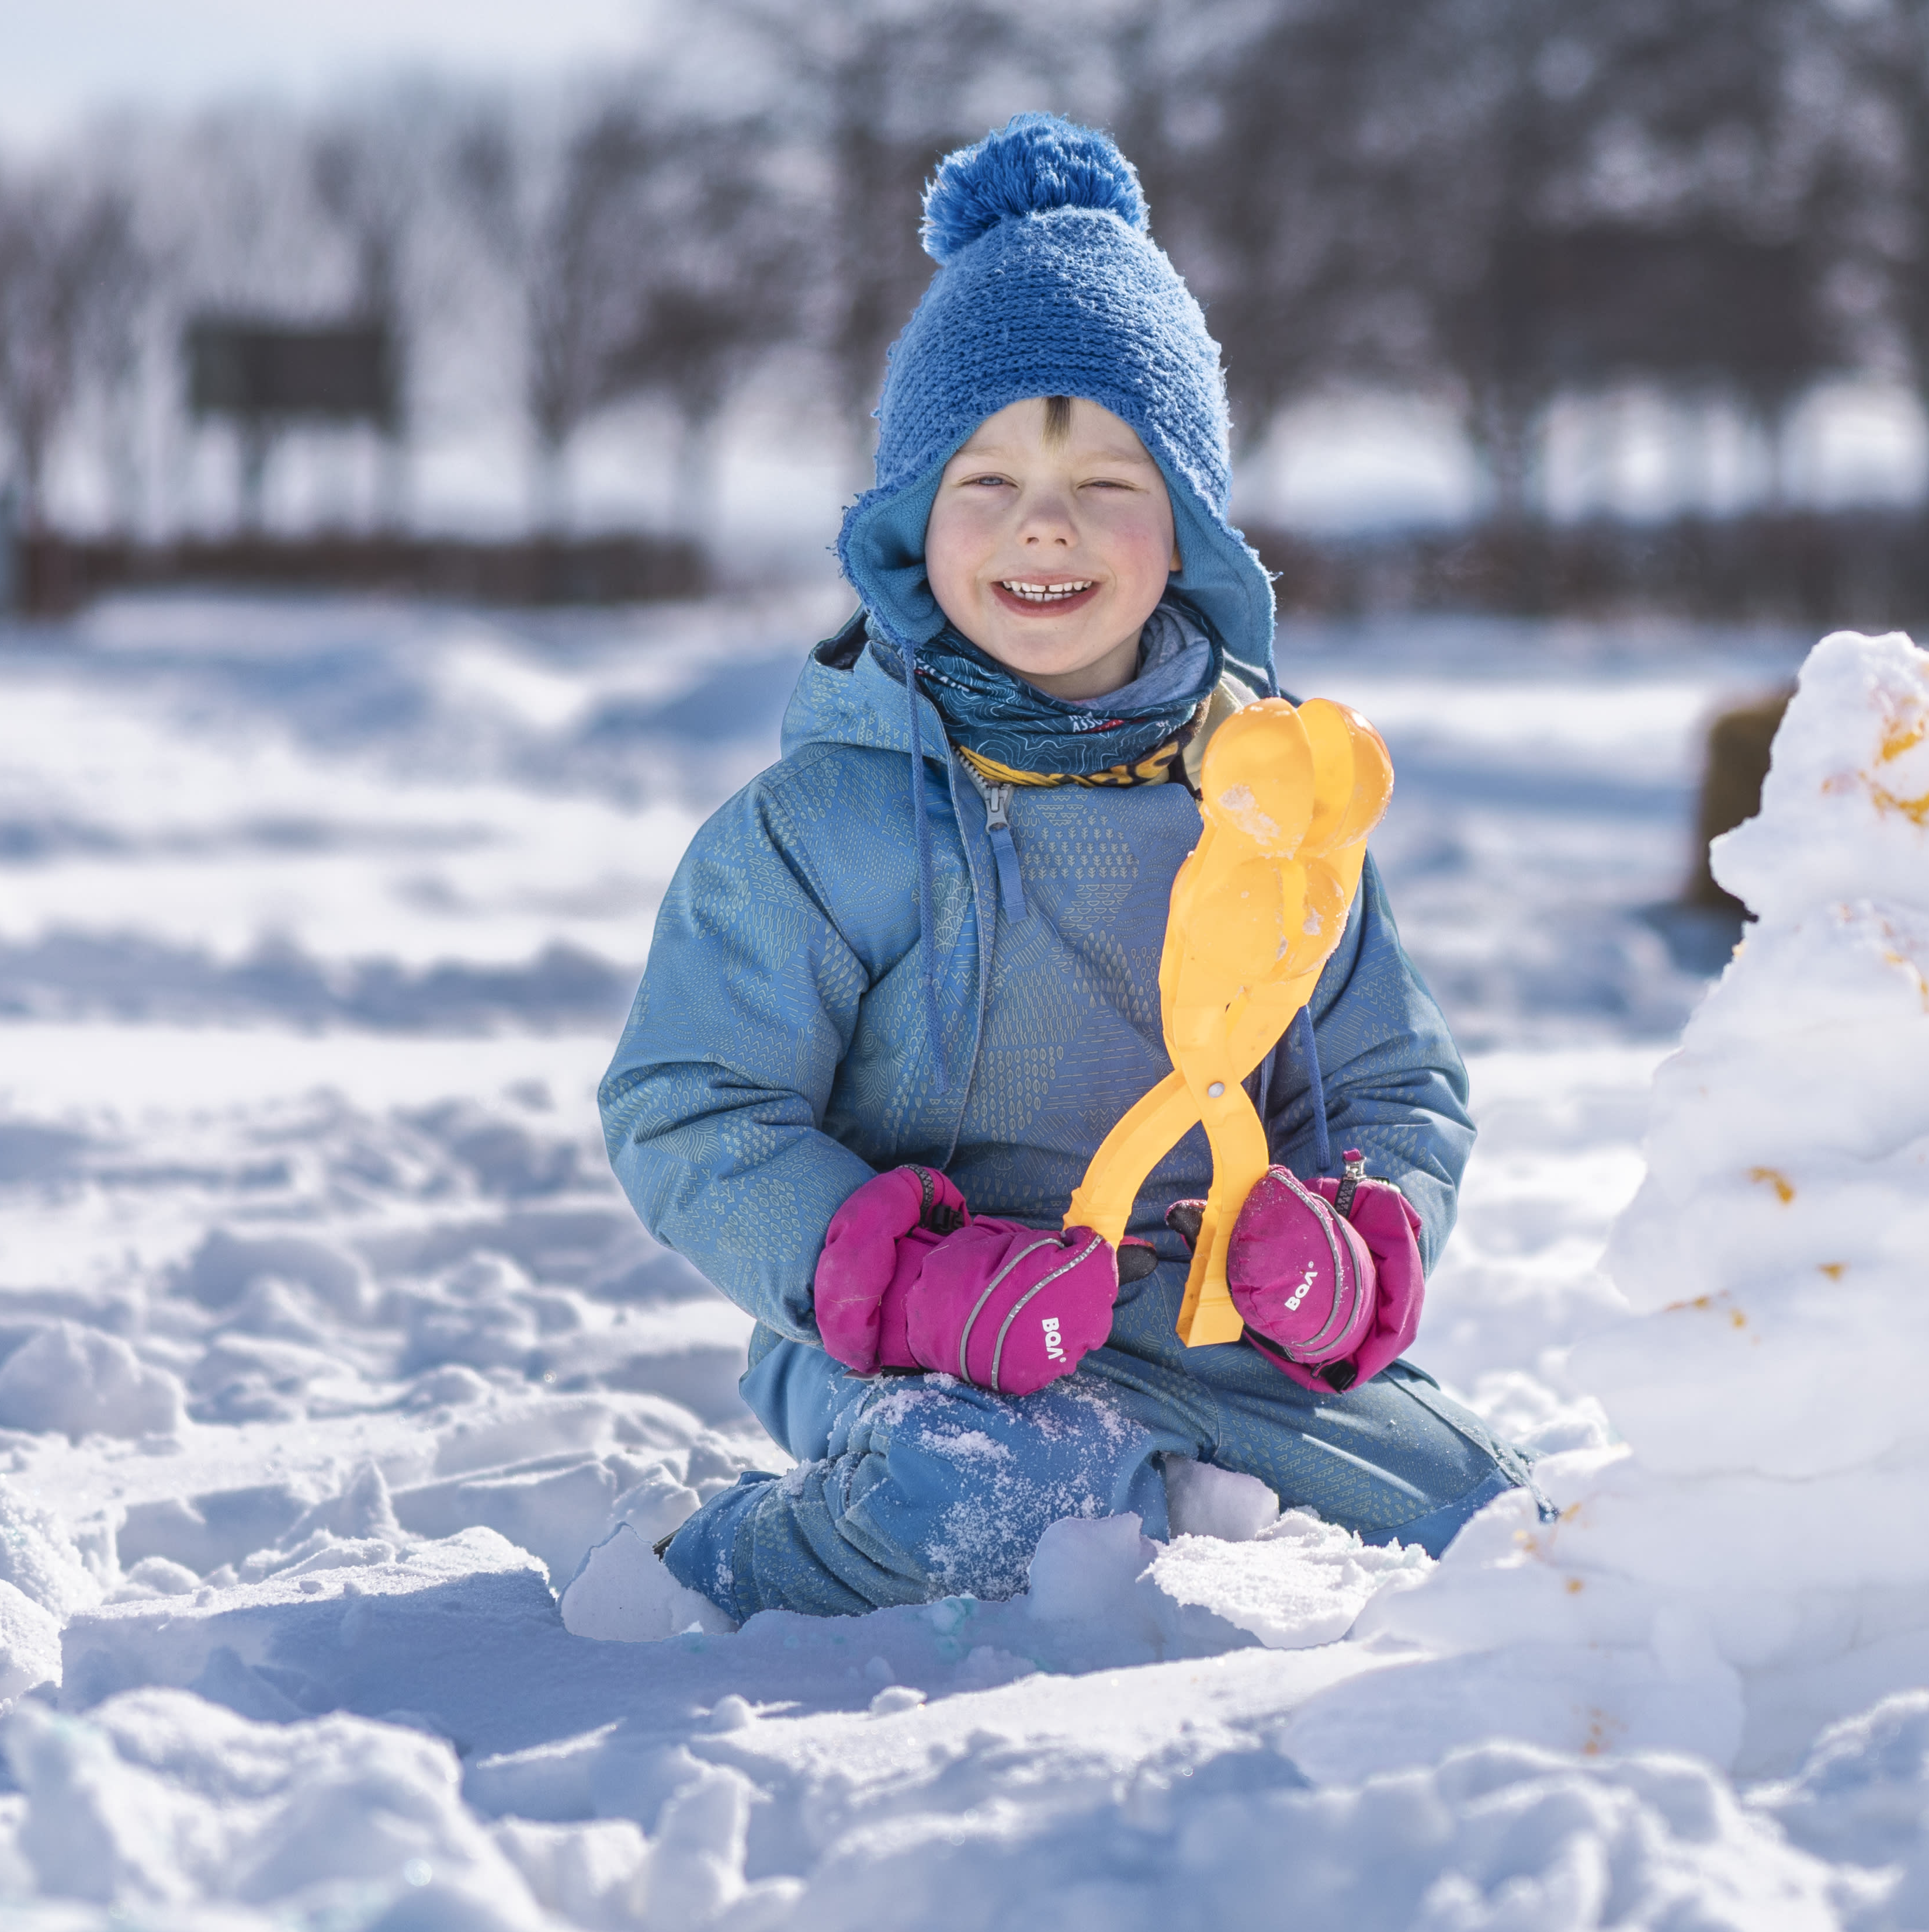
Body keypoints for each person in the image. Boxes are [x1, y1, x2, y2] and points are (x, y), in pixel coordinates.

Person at [578, 115, 1529, 1631]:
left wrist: (1355, 1243)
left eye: (1107, 481)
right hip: (919, 1339)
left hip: (1223, 1335)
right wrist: (901, 1276)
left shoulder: (1273, 806)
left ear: (1189, 533)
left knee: (1503, 1527)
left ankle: (1175, 1477)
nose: (1044, 523)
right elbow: (691, 1102)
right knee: (972, 1505)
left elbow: (1395, 1079)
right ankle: (703, 1567)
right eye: (987, 479)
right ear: (910, 528)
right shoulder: (826, 825)